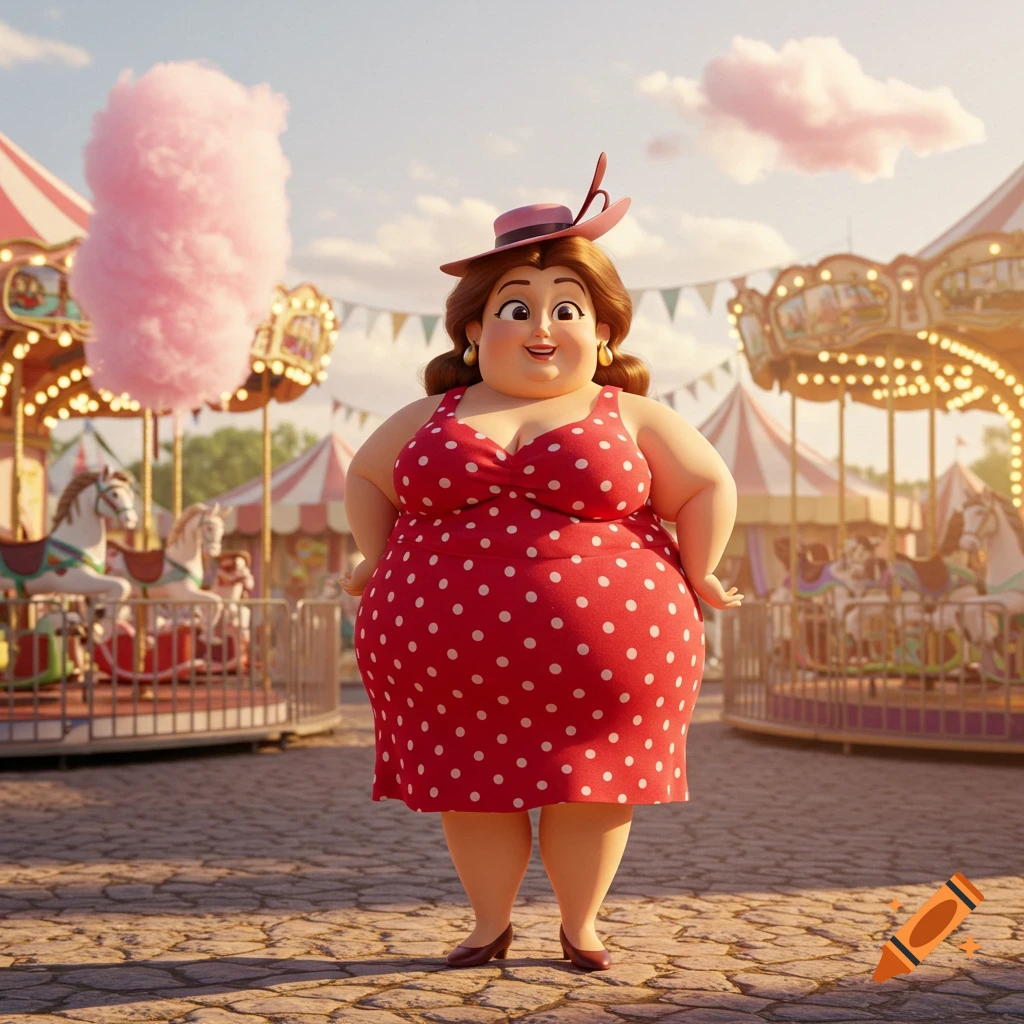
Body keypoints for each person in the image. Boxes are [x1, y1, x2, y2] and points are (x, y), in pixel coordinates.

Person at [341, 154, 742, 972]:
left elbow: (706, 484)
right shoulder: (434, 412)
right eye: (515, 309)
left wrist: (700, 571)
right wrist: (374, 559)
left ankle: (580, 924)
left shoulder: (626, 412)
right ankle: (489, 923)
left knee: (591, 790)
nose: (540, 328)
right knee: (469, 791)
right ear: (473, 329)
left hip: (608, 668)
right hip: (444, 671)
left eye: (567, 309)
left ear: (602, 330)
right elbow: (367, 475)